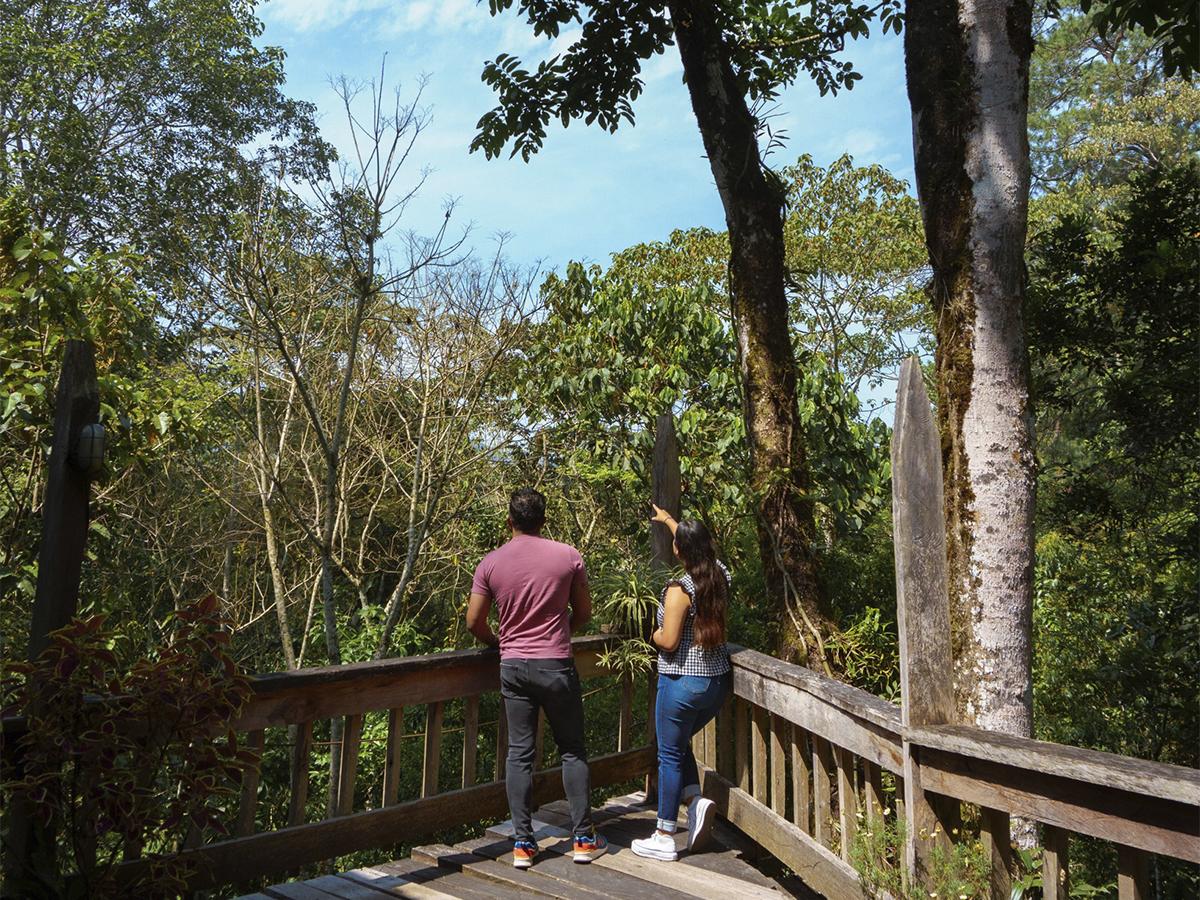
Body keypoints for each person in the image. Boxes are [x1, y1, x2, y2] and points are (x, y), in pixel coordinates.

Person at [465, 487, 608, 869]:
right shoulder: (567, 556)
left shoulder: (490, 563)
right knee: (572, 749)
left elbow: (473, 622)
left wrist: (500, 641)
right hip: (556, 663)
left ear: (509, 520)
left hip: (512, 666)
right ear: (543, 521)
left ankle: (524, 844)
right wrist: (562, 632)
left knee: (519, 754)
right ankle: (582, 839)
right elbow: (583, 612)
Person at [631, 502, 732, 862]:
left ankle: (663, 834)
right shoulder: (719, 574)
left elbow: (670, 640)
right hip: (715, 685)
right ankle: (695, 799)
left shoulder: (679, 590)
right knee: (678, 742)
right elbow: (693, 546)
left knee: (669, 755)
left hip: (681, 683)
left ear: (679, 552)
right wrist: (670, 522)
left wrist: (651, 631)